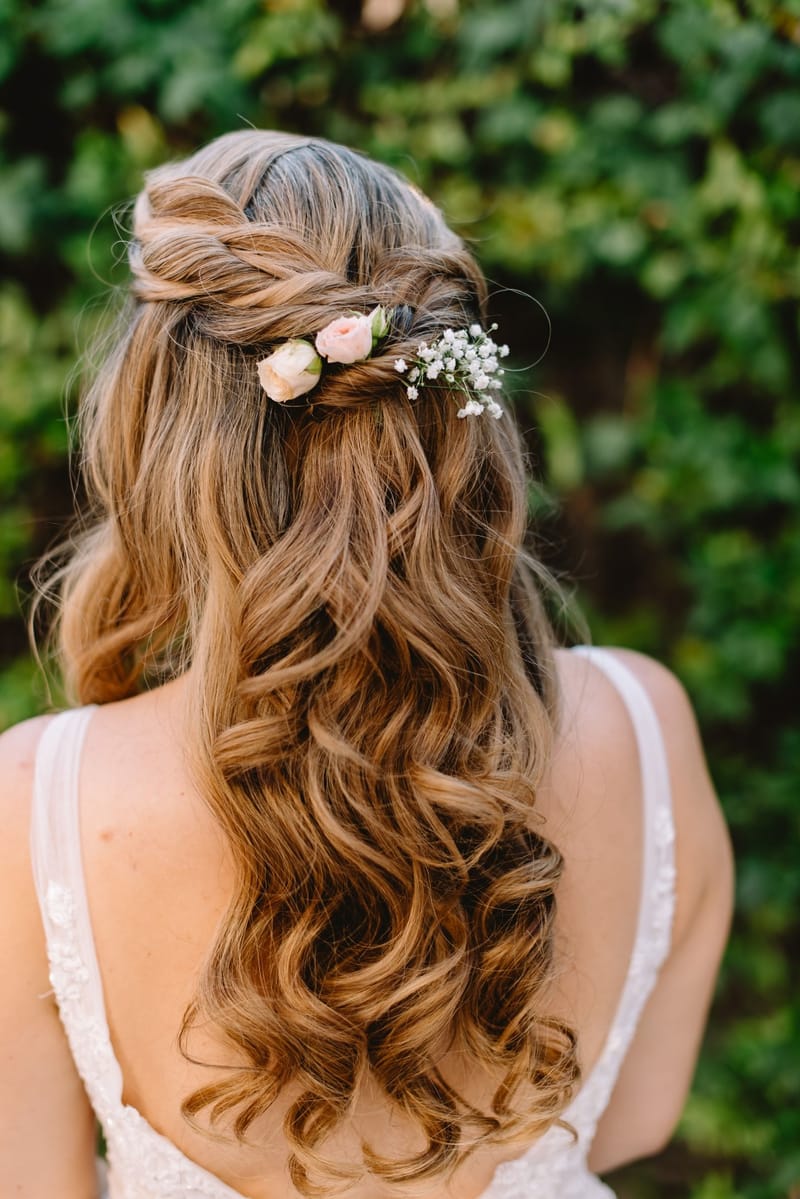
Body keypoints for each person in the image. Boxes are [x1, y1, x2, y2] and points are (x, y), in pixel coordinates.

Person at [0, 130, 733, 1199]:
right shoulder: (642, 719)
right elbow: (635, 1115)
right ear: (454, 405)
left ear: (154, 430)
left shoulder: (36, 801)